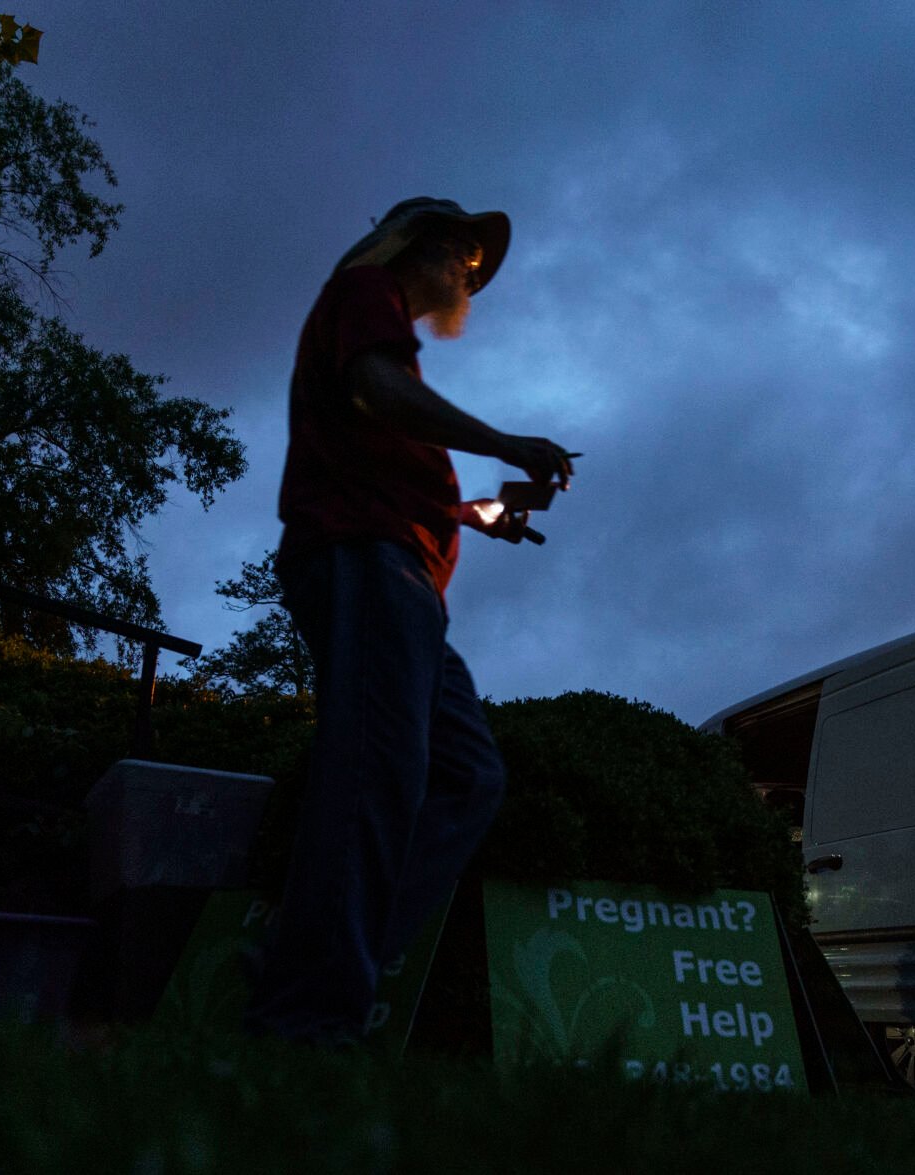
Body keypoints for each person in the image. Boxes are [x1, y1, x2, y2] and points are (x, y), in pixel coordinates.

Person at [242, 197, 577, 1046]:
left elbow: (394, 459)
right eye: (463, 253)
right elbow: (376, 393)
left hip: (407, 577)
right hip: (367, 559)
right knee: (375, 773)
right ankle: (306, 1017)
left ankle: (305, 963)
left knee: (467, 777)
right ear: (417, 247)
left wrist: (480, 513)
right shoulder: (362, 291)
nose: (471, 273)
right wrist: (505, 441)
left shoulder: (381, 325)